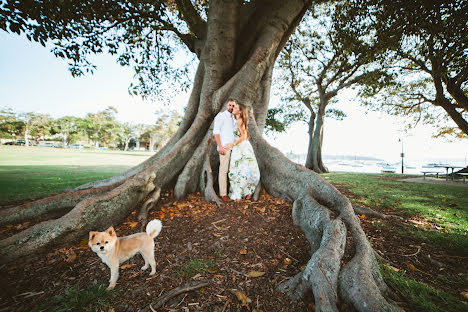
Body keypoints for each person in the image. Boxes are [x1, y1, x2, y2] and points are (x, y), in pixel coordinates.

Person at [225, 102, 260, 200]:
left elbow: (244, 136)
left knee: (246, 169)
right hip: (238, 148)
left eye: (235, 107)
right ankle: (242, 192)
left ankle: (248, 191)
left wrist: (233, 144)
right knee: (237, 170)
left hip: (242, 147)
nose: (233, 108)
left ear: (240, 111)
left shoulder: (240, 120)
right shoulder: (235, 119)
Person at [213, 99, 237, 201]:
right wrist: (220, 146)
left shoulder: (235, 119)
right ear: (226, 105)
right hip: (224, 148)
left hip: (235, 149)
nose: (231, 107)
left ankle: (235, 192)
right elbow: (216, 132)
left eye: (233, 106)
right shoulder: (221, 116)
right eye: (230, 105)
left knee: (234, 170)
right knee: (223, 170)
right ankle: (223, 194)